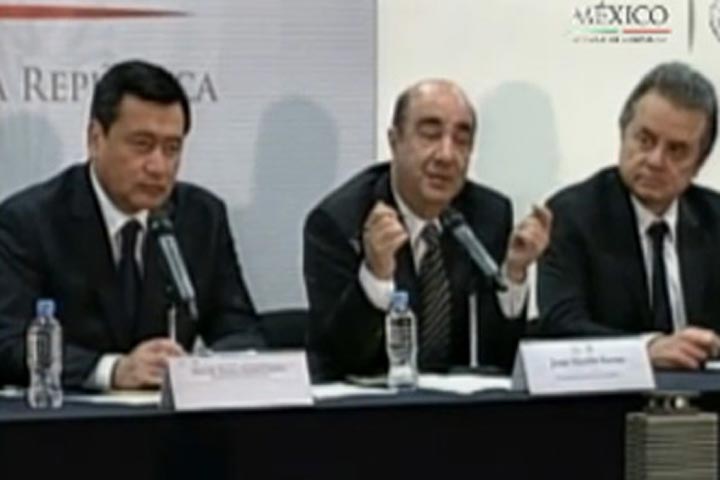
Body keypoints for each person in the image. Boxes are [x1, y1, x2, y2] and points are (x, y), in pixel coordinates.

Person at [0, 60, 263, 390]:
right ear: (96, 138)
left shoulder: (202, 217)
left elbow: (240, 330)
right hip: (74, 416)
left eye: (172, 149)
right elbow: (8, 342)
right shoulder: (30, 222)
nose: (159, 167)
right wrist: (113, 371)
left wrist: (203, 370)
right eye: (142, 145)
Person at [303, 79, 551, 380]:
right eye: (431, 135)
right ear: (394, 141)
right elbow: (341, 358)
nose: (446, 155)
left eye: (462, 140)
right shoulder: (340, 222)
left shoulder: (488, 214)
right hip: (377, 402)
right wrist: (375, 275)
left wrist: (513, 274)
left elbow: (499, 359)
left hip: (459, 403)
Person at [538, 61, 720, 370]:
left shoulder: (714, 219)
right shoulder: (573, 215)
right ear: (623, 134)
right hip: (611, 397)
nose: (656, 160)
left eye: (676, 150)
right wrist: (644, 351)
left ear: (699, 163)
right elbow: (560, 325)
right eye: (645, 140)